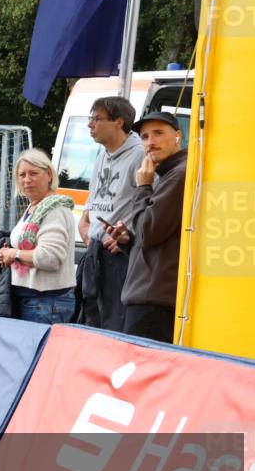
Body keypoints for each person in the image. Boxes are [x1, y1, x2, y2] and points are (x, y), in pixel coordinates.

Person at [103, 112, 188, 343]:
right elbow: (154, 237)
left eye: (159, 133)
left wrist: (143, 187)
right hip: (151, 295)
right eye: (144, 136)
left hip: (154, 299)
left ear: (178, 136)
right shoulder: (169, 173)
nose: (151, 142)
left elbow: (148, 233)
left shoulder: (178, 175)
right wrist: (127, 240)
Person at [77, 96, 145, 331]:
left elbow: (151, 201)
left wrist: (131, 235)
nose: (90, 124)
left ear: (118, 122)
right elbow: (94, 195)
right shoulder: (102, 154)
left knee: (114, 324)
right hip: (94, 250)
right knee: (90, 321)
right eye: (90, 118)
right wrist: (85, 225)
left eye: (96, 118)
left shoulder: (140, 155)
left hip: (119, 255)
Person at [0, 149, 76, 324]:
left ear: (49, 175)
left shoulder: (54, 209)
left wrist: (14, 254)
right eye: (22, 175)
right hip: (37, 302)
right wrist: (8, 254)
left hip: (46, 303)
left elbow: (50, 257)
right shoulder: (37, 206)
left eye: (33, 173)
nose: (27, 180)